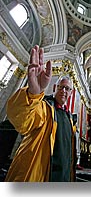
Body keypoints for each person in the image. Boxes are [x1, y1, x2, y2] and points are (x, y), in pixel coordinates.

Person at [5, 45, 77, 182]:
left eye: (67, 89)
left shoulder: (70, 119)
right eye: (61, 87)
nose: (64, 91)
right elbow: (22, 121)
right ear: (55, 88)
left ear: (71, 93)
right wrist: (33, 93)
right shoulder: (44, 107)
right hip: (37, 175)